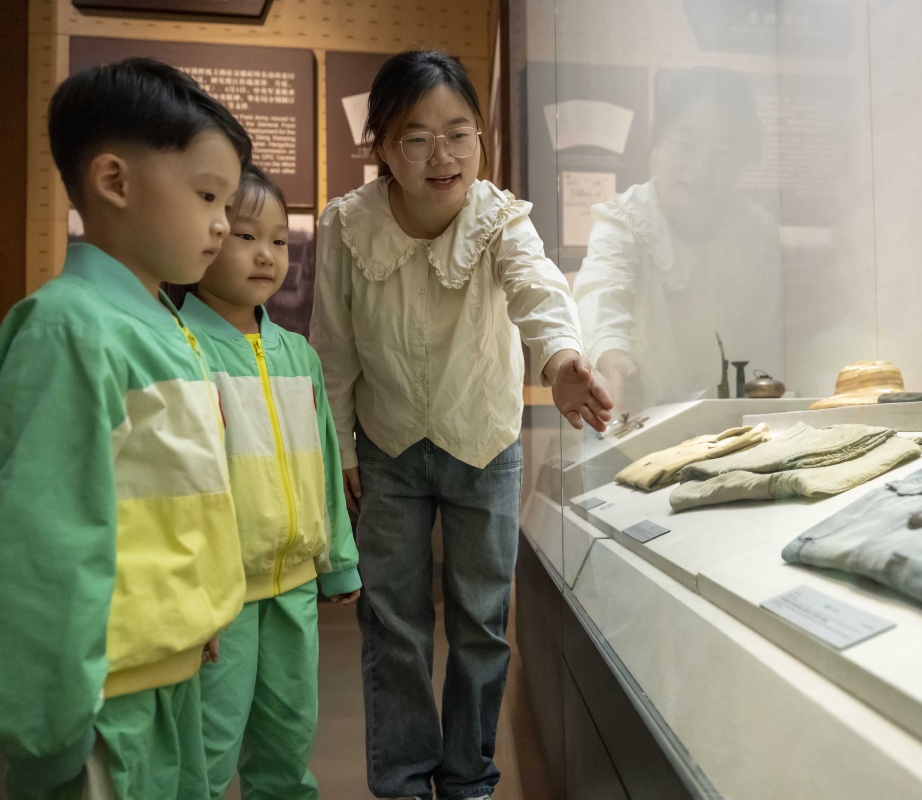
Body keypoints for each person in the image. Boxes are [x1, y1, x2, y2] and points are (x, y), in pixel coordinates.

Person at [310, 49, 612, 800]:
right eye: (416, 138)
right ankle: (404, 781)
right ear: (381, 146)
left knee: (481, 620)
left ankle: (469, 778)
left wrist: (562, 360)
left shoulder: (498, 218)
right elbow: (333, 348)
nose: (442, 156)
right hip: (385, 447)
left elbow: (538, 290)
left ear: (481, 137)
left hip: (484, 444)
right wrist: (340, 448)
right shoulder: (348, 225)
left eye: (459, 134)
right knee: (394, 623)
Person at [0, 58, 251, 799]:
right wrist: (48, 733)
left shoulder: (159, 326)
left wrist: (195, 610)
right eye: (206, 195)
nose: (222, 223)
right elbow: (48, 544)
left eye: (226, 202)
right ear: (114, 181)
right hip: (104, 703)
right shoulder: (72, 329)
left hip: (168, 675)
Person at [174, 164, 362, 799]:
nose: (266, 255)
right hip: (220, 597)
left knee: (288, 740)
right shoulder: (183, 349)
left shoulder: (298, 355)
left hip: (294, 588)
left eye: (280, 240)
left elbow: (325, 467)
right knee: (207, 746)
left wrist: (338, 562)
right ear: (204, 236)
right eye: (246, 236)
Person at [573, 66, 785, 413]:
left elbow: (764, 338)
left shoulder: (757, 232)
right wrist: (612, 355)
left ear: (744, 159)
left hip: (726, 420)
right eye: (686, 144)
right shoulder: (623, 220)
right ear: (657, 145)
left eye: (723, 150)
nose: (701, 167)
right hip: (632, 414)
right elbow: (601, 295)